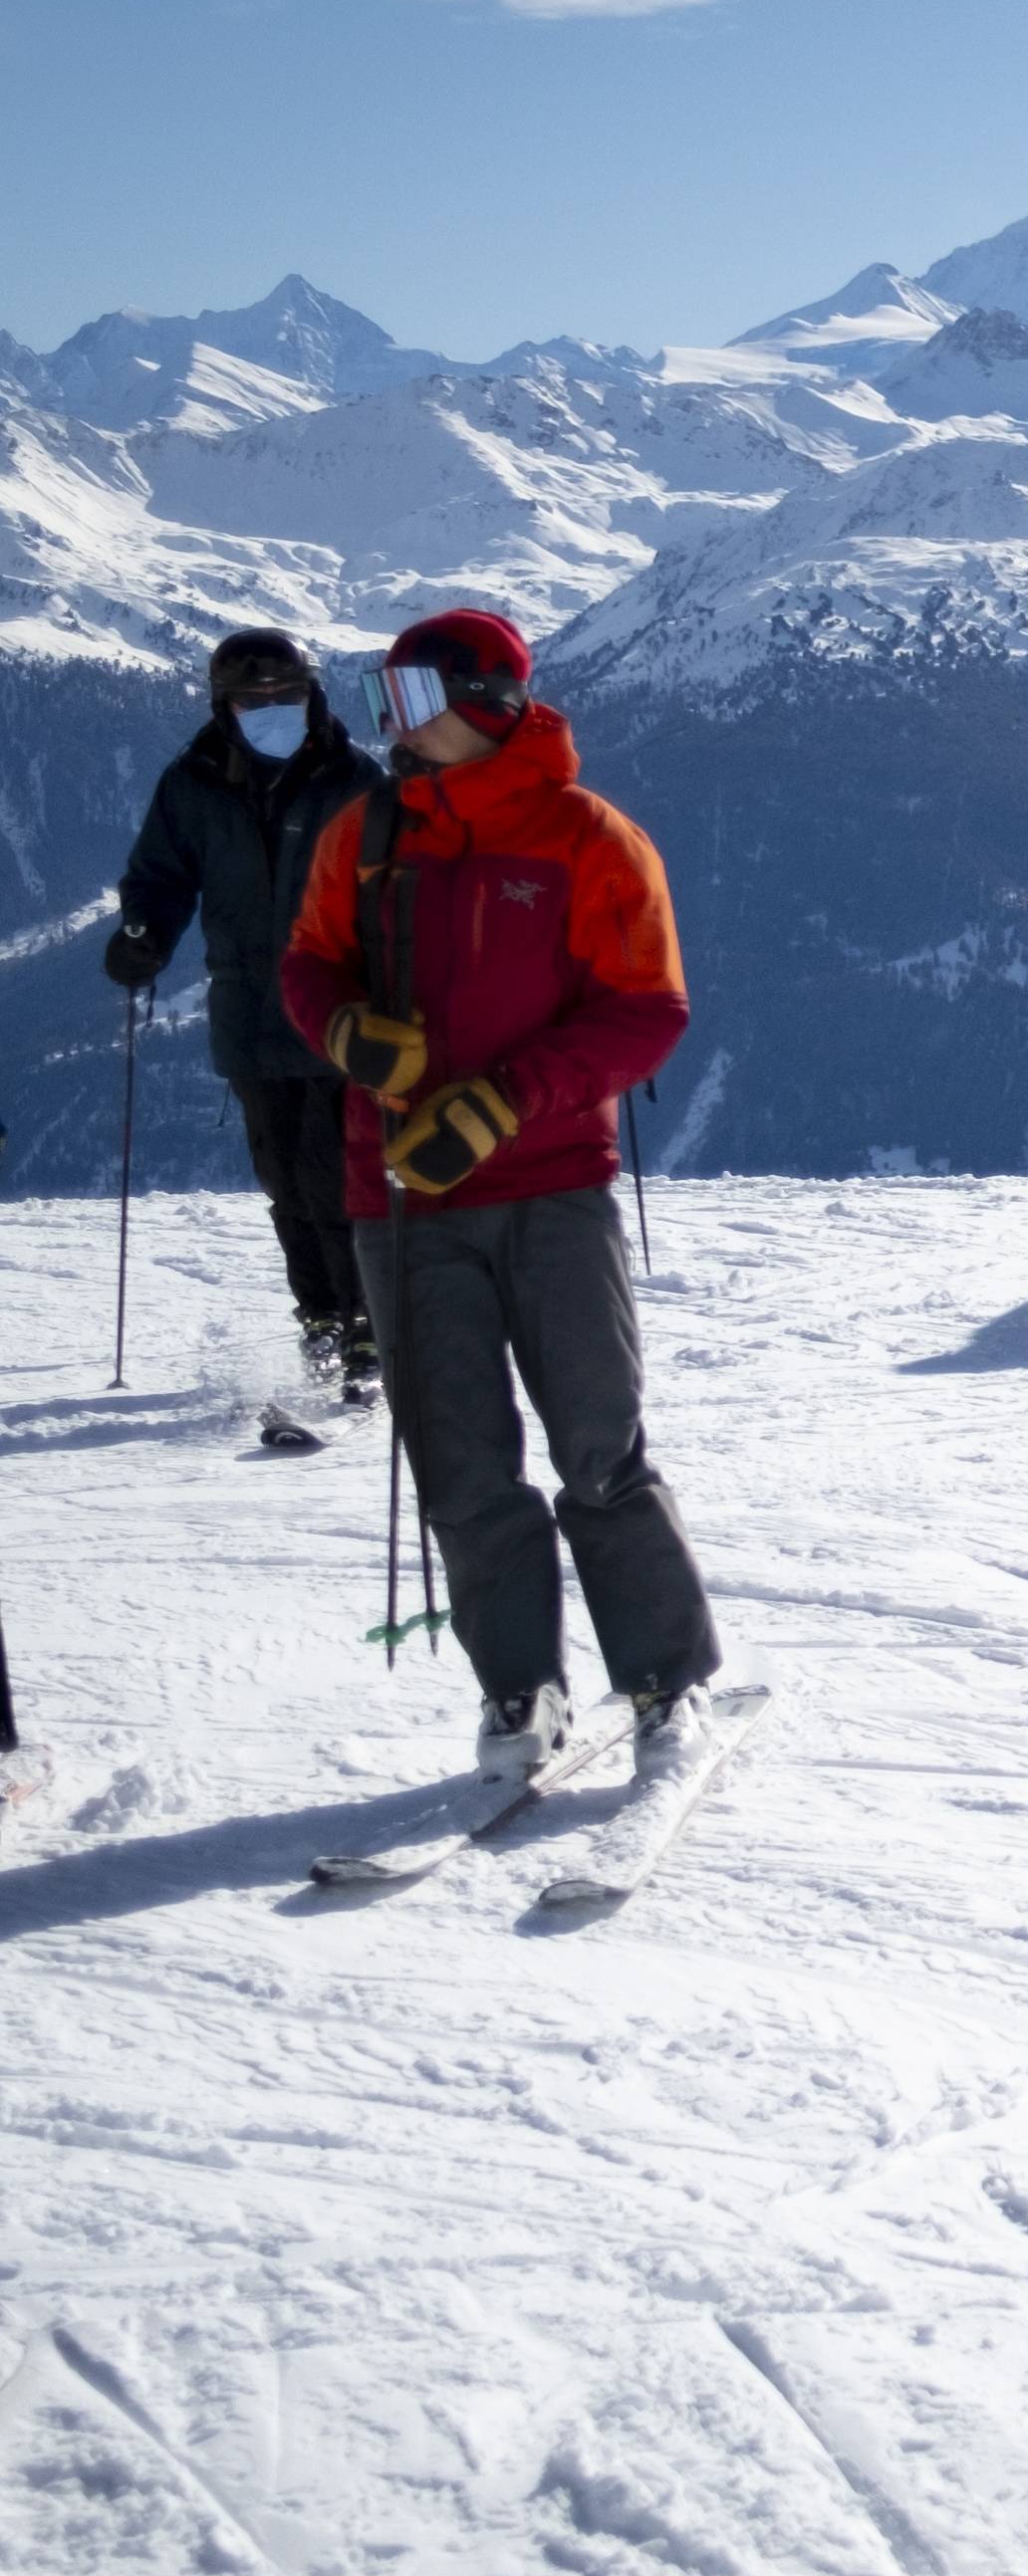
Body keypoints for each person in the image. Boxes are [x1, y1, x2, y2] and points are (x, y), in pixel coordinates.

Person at [277, 607, 725, 1794]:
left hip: (551, 1187)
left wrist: (505, 1100)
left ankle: (666, 1686)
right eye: (385, 705)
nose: (395, 731)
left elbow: (647, 1007)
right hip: (401, 1198)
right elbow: (305, 962)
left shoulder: (587, 838)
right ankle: (519, 1688)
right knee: (462, 1464)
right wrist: (343, 1031)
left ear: (488, 702)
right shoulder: (363, 834)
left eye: (410, 703)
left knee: (598, 1447)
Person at [105, 627, 383, 1404]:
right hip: (250, 1012)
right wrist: (143, 937)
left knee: (335, 1176)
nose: (271, 709)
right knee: (284, 1179)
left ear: (312, 694)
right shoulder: (193, 784)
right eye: (253, 699)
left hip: (340, 1009)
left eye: (285, 696)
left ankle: (365, 1324)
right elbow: (159, 876)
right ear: (223, 706)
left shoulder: (353, 780)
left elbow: (396, 891)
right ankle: (322, 1319)